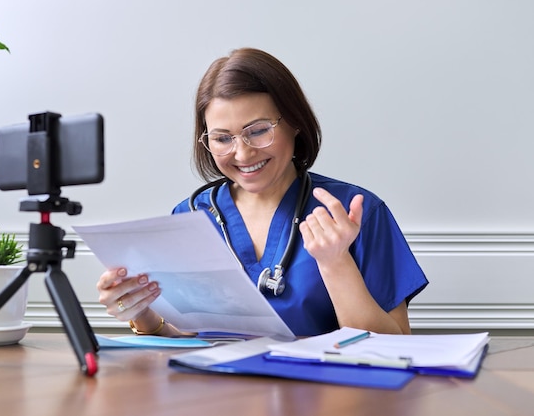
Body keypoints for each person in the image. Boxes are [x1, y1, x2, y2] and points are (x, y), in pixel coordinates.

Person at [96, 47, 428, 337]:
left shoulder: (355, 211)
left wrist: (335, 263)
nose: (242, 154)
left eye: (258, 131)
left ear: (295, 122)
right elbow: (191, 333)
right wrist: (142, 313)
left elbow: (395, 344)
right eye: (223, 138)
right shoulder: (191, 214)